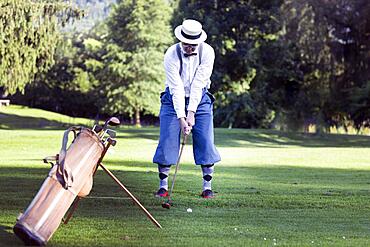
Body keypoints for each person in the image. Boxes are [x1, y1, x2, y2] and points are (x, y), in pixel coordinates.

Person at [153, 19, 221, 199]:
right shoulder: (171, 54)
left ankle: (207, 187)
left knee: (205, 140)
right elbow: (176, 88)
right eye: (185, 43)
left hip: (201, 98)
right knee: (167, 138)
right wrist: (182, 118)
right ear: (180, 39)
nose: (188, 48)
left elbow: (199, 83)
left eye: (192, 45)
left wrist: (191, 113)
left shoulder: (208, 52)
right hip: (172, 99)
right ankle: (163, 186)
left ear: (198, 42)